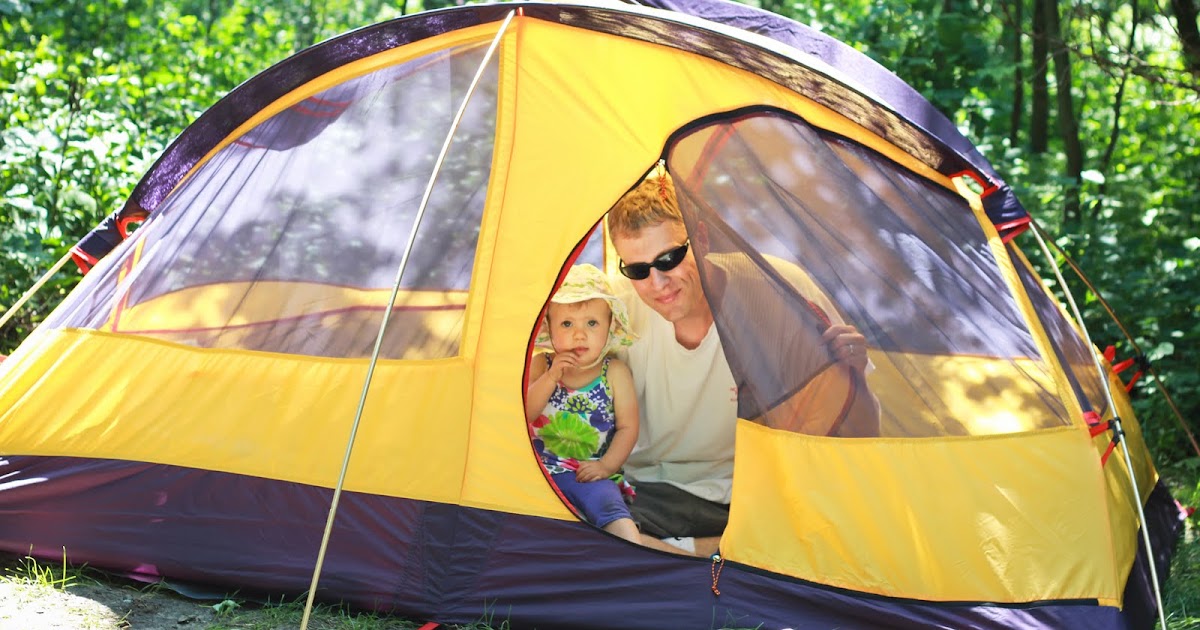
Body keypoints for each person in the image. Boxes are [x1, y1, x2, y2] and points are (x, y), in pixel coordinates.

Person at [606, 168, 879, 557]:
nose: (657, 282)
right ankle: (711, 554)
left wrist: (853, 375)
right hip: (642, 494)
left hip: (741, 497)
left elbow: (862, 434)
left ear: (700, 239)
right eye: (637, 269)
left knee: (837, 515)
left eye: (669, 257)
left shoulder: (775, 288)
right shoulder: (611, 308)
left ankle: (670, 554)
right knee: (572, 512)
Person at [525, 264, 643, 545]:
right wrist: (552, 377)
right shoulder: (542, 364)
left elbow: (628, 428)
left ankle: (633, 554)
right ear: (549, 328)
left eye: (592, 323)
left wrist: (605, 466)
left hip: (589, 473)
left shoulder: (614, 372)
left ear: (609, 327)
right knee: (528, 513)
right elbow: (525, 413)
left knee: (609, 507)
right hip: (539, 469)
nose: (579, 335)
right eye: (567, 324)